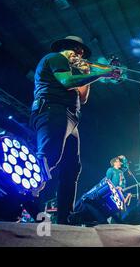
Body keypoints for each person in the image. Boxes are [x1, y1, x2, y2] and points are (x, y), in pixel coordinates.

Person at [31, 35, 120, 224]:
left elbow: (83, 98)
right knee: (48, 157)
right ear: (68, 48)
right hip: (52, 110)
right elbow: (66, 82)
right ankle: (24, 198)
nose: (80, 55)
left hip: (70, 118)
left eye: (81, 53)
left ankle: (65, 217)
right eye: (77, 51)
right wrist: (102, 73)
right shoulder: (56, 58)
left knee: (71, 168)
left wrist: (88, 75)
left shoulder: (72, 67)